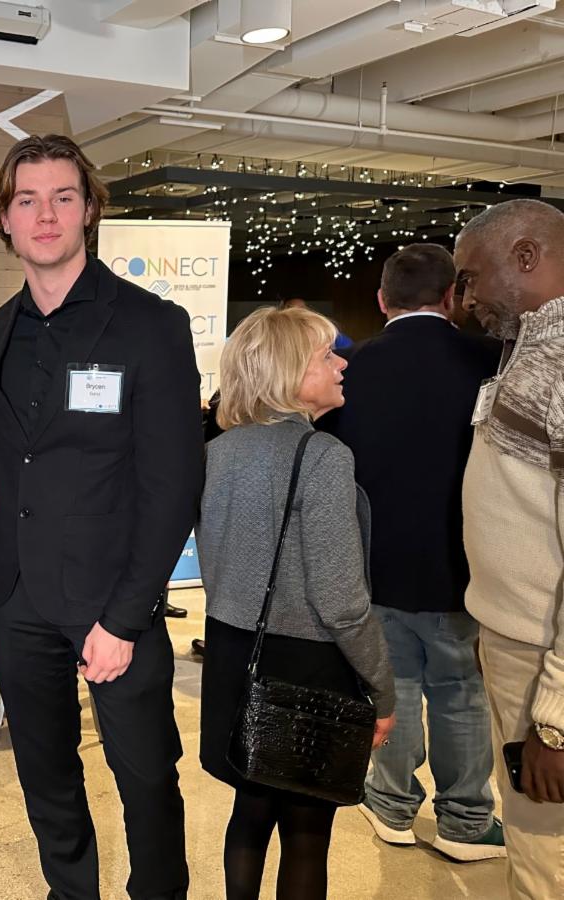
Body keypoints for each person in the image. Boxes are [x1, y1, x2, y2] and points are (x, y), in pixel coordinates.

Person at [0, 134, 203, 900]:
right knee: (45, 775)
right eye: (27, 200)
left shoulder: (150, 324)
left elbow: (173, 484)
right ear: (4, 218)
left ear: (89, 210)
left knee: (146, 778)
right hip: (17, 600)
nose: (46, 215)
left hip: (113, 602)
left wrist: (125, 619)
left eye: (63, 197)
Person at [196, 305, 396, 900]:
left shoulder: (217, 452)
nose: (342, 364)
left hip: (234, 657)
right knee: (308, 833)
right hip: (308, 666)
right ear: (288, 370)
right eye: (326, 355)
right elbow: (341, 602)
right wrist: (383, 689)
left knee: (249, 812)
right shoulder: (323, 456)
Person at [319, 244, 504, 860]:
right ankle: (467, 821)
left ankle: (391, 805)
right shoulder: (490, 360)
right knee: (461, 692)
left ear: (382, 300)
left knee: (387, 685)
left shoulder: (349, 369)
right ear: (451, 297)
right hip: (464, 564)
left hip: (372, 564)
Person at [454, 197, 564, 899]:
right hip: (517, 642)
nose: (465, 299)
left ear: (526, 256)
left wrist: (556, 720)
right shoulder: (530, 345)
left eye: (471, 278)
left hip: (545, 665)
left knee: (543, 859)